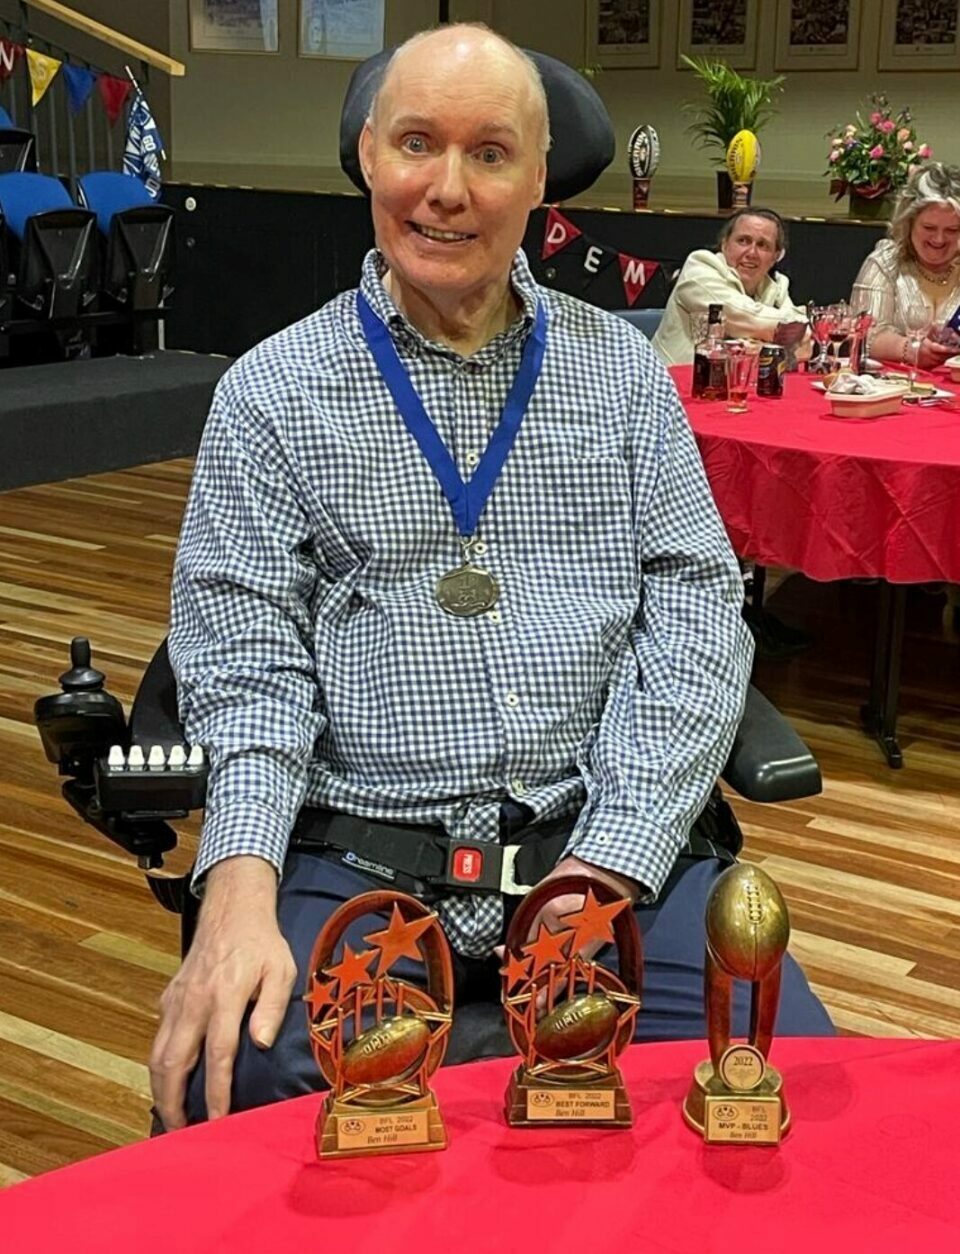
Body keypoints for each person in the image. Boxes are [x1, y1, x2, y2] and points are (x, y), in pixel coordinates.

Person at [150, 24, 832, 1133]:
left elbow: (700, 611)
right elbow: (244, 664)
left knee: (775, 1091)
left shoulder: (622, 377)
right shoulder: (271, 393)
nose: (447, 191)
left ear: (541, 180)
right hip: (365, 852)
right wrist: (234, 885)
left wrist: (614, 857)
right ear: (368, 152)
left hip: (603, 840)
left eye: (490, 153)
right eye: (417, 143)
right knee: (240, 1086)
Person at [652, 208, 810, 366]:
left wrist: (777, 340)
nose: (752, 253)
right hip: (672, 382)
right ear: (724, 244)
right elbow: (744, 317)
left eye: (763, 245)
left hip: (739, 384)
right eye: (743, 241)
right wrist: (790, 335)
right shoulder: (699, 268)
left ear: (776, 256)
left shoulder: (777, 285)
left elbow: (804, 346)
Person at [850, 163, 960, 369]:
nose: (939, 239)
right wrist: (912, 350)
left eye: (952, 230)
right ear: (908, 222)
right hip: (895, 389)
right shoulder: (885, 262)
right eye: (929, 227)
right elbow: (864, 335)